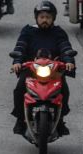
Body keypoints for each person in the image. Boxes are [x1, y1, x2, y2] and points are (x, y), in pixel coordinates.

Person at [11, 1, 76, 136]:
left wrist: (69, 61)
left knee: (64, 89)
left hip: (53, 70)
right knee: (19, 89)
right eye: (42, 17)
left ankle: (60, 120)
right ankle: (19, 119)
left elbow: (66, 48)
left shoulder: (58, 32)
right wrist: (17, 62)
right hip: (31, 70)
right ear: (36, 18)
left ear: (53, 18)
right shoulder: (28, 31)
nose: (45, 20)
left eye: (48, 17)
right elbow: (20, 47)